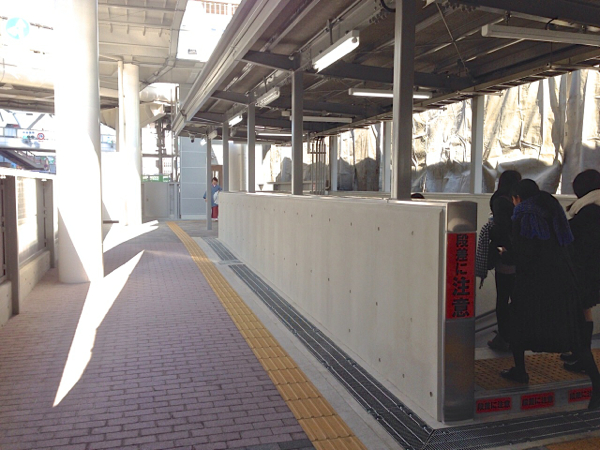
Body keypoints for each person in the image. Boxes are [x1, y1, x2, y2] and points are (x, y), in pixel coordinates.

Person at [500, 179, 600, 410]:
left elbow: (524, 256)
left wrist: (504, 254)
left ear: (517, 198)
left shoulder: (523, 215)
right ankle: (597, 384)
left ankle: (520, 371)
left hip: (534, 286)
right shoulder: (554, 211)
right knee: (575, 338)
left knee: (518, 325)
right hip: (564, 285)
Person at [562, 169, 600, 373]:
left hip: (586, 270)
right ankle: (580, 353)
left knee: (581, 311)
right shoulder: (594, 207)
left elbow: (572, 234)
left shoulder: (590, 211)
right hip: (592, 268)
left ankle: (583, 358)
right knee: (582, 310)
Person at [487, 170, 521, 352]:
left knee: (504, 297)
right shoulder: (506, 201)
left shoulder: (499, 199)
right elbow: (504, 228)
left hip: (505, 256)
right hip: (510, 256)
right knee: (510, 298)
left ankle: (505, 336)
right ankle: (509, 336)